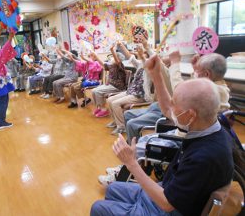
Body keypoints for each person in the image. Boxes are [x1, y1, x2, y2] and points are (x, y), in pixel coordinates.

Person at [91, 54, 234, 216]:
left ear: (190, 115)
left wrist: (132, 163)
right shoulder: (207, 124)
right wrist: (156, 75)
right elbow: (167, 110)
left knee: (98, 207)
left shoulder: (204, 157)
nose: (171, 108)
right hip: (167, 189)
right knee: (112, 188)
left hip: (166, 206)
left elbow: (166, 204)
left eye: (176, 104)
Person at [106, 42, 154, 135]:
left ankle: (121, 127)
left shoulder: (150, 67)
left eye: (143, 53)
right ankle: (116, 121)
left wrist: (143, 52)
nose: (140, 54)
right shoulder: (140, 64)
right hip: (131, 91)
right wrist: (121, 45)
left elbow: (146, 58)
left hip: (139, 95)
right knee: (110, 100)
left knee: (115, 103)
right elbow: (130, 56)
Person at [91, 43, 127, 117]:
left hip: (117, 86)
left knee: (98, 91)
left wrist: (112, 51)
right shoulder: (112, 65)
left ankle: (104, 110)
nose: (112, 58)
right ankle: (99, 107)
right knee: (94, 90)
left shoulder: (120, 65)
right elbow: (103, 64)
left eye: (114, 57)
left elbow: (117, 61)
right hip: (111, 85)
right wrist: (96, 57)